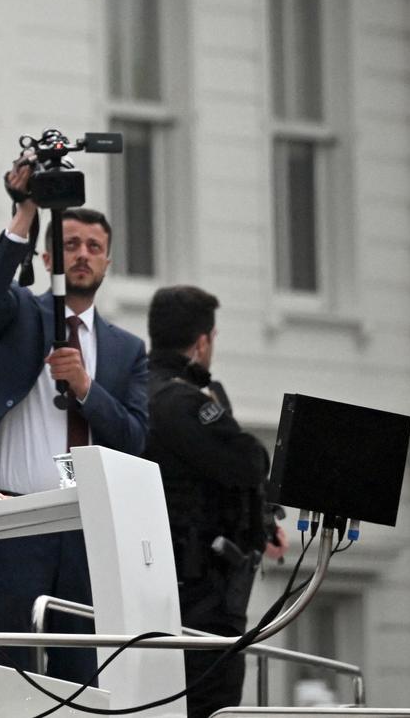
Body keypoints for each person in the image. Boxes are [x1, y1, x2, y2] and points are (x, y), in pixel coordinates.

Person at [0, 159, 148, 684]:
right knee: (9, 669)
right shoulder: (23, 315)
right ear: (48, 256)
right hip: (15, 515)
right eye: (70, 244)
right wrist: (26, 210)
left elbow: (133, 437)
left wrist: (86, 388)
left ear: (107, 260)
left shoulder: (126, 349)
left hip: (86, 526)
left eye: (93, 246)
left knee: (80, 673)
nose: (81, 255)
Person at [145, 285, 284, 718]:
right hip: (201, 597)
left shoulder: (139, 389)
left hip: (164, 586)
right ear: (202, 341)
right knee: (212, 703)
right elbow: (248, 460)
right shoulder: (182, 402)